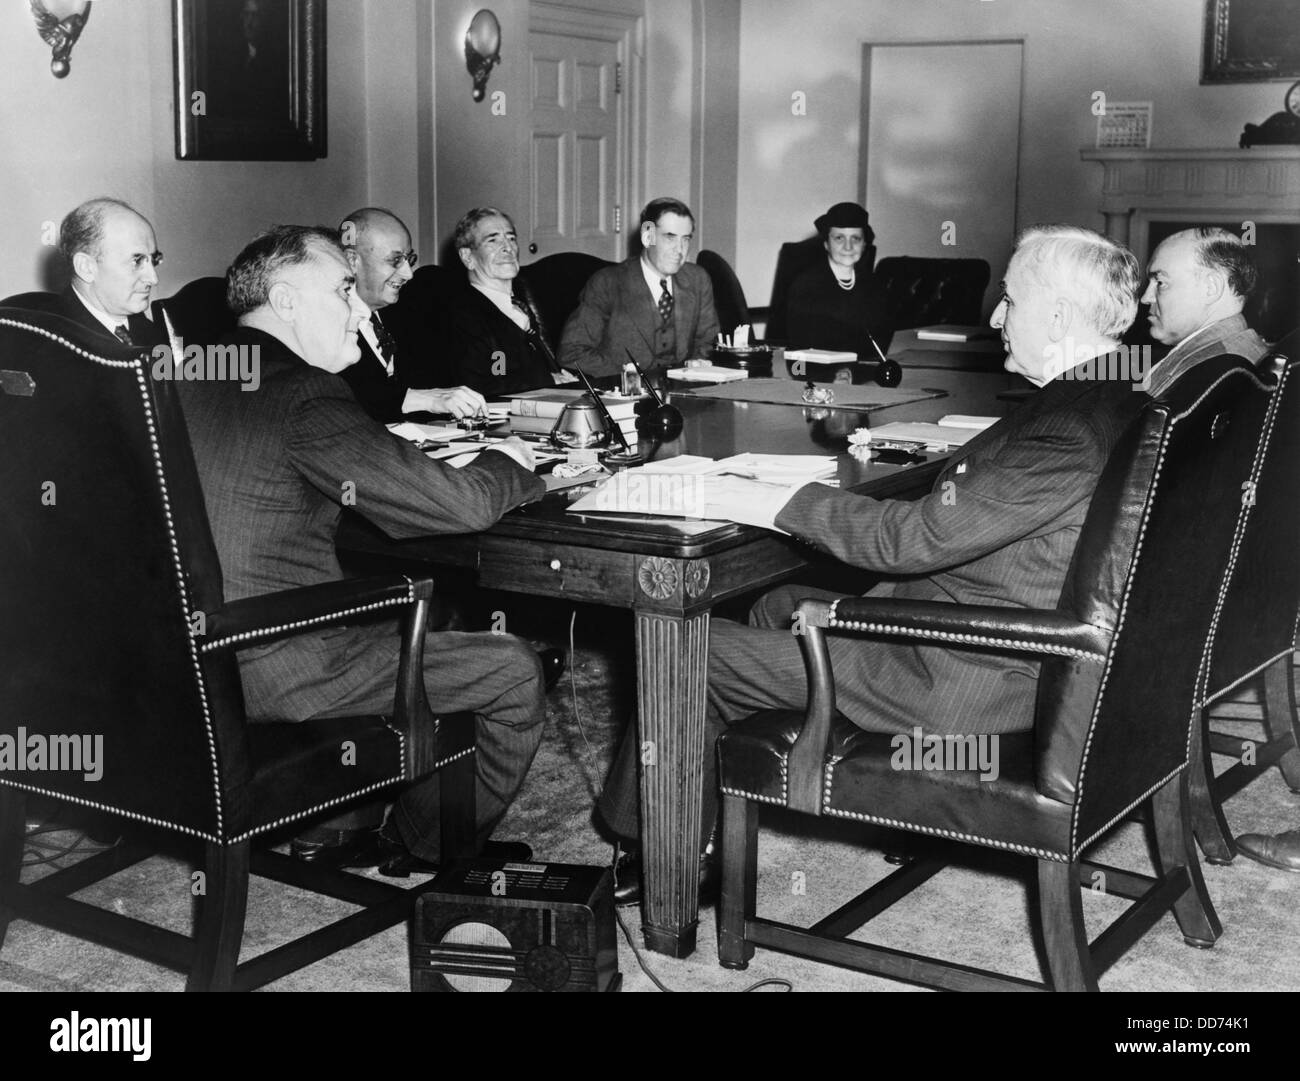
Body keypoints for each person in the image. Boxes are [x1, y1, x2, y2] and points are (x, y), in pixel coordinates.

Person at [600, 224, 1149, 904]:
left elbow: (908, 541)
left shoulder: (1067, 430)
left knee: (687, 651)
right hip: (978, 630)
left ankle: (653, 850)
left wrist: (760, 496)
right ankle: (720, 801)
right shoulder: (1110, 397)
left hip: (959, 672)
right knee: (774, 602)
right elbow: (983, 500)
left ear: (1060, 315)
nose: (997, 316)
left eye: (1009, 300)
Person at [179, 225, 554, 874]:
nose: (361, 309)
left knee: (419, 620)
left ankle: (347, 823)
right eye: (345, 289)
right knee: (515, 668)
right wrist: (520, 461)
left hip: (184, 663)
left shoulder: (190, 372)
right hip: (277, 666)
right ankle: (419, 840)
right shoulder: (304, 392)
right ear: (287, 301)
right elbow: (458, 507)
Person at [338, 207, 486, 423]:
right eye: (395, 260)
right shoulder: (328, 323)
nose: (408, 274)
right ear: (352, 261)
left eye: (410, 259)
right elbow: (343, 400)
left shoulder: (405, 314)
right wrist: (422, 399)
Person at [558, 197, 720, 380]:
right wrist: (629, 377)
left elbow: (708, 341)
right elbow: (572, 352)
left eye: (686, 239)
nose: (680, 250)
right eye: (670, 237)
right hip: (625, 395)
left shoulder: (698, 280)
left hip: (682, 396)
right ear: (647, 237)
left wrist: (697, 363)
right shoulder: (608, 283)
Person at [444, 206, 573, 396]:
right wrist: (548, 380)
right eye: (493, 240)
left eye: (511, 238)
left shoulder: (520, 307)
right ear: (468, 257)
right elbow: (484, 383)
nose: (508, 248)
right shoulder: (464, 317)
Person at [1141, 227, 1268, 396]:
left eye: (1160, 283)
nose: (1145, 298)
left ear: (1211, 287)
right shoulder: (1238, 352)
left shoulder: (1211, 369)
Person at [784, 201, 893, 356]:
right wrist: (805, 378)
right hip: (816, 373)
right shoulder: (805, 286)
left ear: (864, 245)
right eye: (839, 238)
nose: (848, 247)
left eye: (855, 238)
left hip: (863, 373)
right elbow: (798, 353)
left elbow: (880, 344)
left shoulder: (875, 286)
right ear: (826, 244)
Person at [56, 197, 166, 349]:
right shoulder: (56, 344)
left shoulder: (147, 329)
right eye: (137, 261)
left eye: (153, 259)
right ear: (86, 267)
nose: (153, 279)